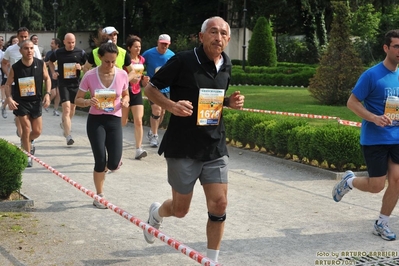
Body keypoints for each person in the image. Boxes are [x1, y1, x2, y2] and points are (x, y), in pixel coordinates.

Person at [143, 16, 245, 262]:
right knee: (180, 210)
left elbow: (214, 97)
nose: (218, 37)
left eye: (223, 33)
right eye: (212, 32)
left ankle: (212, 260)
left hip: (214, 145)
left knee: (219, 205)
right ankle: (157, 213)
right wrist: (171, 106)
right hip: (183, 146)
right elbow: (150, 89)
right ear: (202, 36)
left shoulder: (226, 64)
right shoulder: (183, 60)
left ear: (228, 39)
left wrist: (228, 102)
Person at [332, 29, 399, 241]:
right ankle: (349, 181)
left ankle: (382, 222)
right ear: (386, 48)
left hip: (396, 138)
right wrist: (373, 117)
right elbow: (352, 102)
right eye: (396, 46)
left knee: (397, 180)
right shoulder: (371, 75)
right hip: (375, 139)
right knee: (377, 185)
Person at [75, 42, 129, 208]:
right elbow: (77, 99)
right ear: (100, 58)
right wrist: (87, 101)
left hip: (113, 120)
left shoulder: (122, 75)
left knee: (113, 163)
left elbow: (126, 95)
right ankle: (99, 195)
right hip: (96, 121)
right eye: (107, 61)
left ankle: (107, 168)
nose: (110, 65)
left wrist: (126, 101)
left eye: (113, 61)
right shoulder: (90, 75)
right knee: (100, 160)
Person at [3, 40, 51, 167]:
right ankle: (28, 155)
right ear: (20, 51)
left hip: (36, 101)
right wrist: (9, 98)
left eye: (31, 48)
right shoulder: (16, 67)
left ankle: (26, 142)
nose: (29, 51)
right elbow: (8, 85)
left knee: (37, 131)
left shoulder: (40, 64)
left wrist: (47, 93)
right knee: (26, 128)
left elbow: (47, 78)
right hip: (21, 102)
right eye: (26, 48)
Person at [1, 27, 42, 139]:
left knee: (30, 120)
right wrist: (9, 74)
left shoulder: (34, 49)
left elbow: (40, 65)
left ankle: (27, 139)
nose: (23, 38)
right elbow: (4, 63)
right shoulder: (10, 49)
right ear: (17, 36)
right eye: (21, 36)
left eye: (26, 36)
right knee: (20, 115)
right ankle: (23, 136)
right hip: (15, 86)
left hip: (31, 86)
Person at [48, 33, 86, 146]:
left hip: (75, 84)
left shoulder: (80, 52)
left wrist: (82, 67)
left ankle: (65, 123)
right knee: (67, 109)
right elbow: (50, 62)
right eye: (69, 42)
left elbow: (87, 65)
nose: (71, 45)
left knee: (73, 109)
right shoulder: (58, 52)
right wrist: (54, 72)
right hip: (63, 83)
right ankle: (68, 136)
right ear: (64, 42)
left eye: (73, 42)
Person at [142, 33, 175, 147]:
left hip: (166, 88)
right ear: (158, 42)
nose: (164, 46)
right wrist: (143, 78)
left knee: (162, 112)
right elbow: (138, 64)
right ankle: (155, 136)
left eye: (166, 44)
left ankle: (152, 131)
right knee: (156, 110)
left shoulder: (172, 55)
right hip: (152, 87)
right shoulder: (149, 53)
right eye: (162, 44)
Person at [121, 35, 150, 160]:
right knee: (123, 121)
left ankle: (138, 149)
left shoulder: (142, 60)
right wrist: (129, 79)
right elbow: (121, 76)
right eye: (135, 47)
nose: (138, 49)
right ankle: (114, 143)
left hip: (137, 92)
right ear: (129, 48)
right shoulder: (125, 60)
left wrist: (144, 80)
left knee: (138, 120)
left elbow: (140, 78)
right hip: (125, 92)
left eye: (139, 46)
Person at [44, 37, 61, 116]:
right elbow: (45, 63)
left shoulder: (61, 52)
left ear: (57, 45)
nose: (51, 45)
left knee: (58, 94)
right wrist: (51, 62)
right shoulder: (49, 53)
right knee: (53, 93)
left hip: (60, 75)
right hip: (52, 74)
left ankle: (55, 110)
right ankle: (46, 103)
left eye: (52, 43)